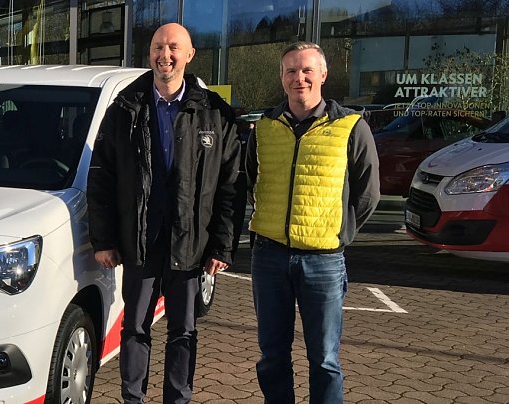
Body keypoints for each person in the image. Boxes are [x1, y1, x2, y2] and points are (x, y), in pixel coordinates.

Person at [87, 23, 243, 404]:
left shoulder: (215, 114)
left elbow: (232, 185)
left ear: (189, 56)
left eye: (174, 47)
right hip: (141, 241)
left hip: (190, 244)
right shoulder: (125, 107)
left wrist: (222, 245)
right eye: (158, 47)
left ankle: (178, 398)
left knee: (184, 331)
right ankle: (133, 398)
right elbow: (101, 177)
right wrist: (104, 239)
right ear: (150, 54)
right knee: (135, 328)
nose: (165, 55)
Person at [246, 41, 380, 404]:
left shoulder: (351, 127)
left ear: (323, 74)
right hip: (269, 258)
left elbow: (368, 194)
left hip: (323, 261)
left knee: (324, 359)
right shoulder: (264, 128)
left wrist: (339, 234)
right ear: (282, 77)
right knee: (272, 357)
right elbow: (250, 181)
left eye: (306, 70)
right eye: (291, 71)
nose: (298, 78)